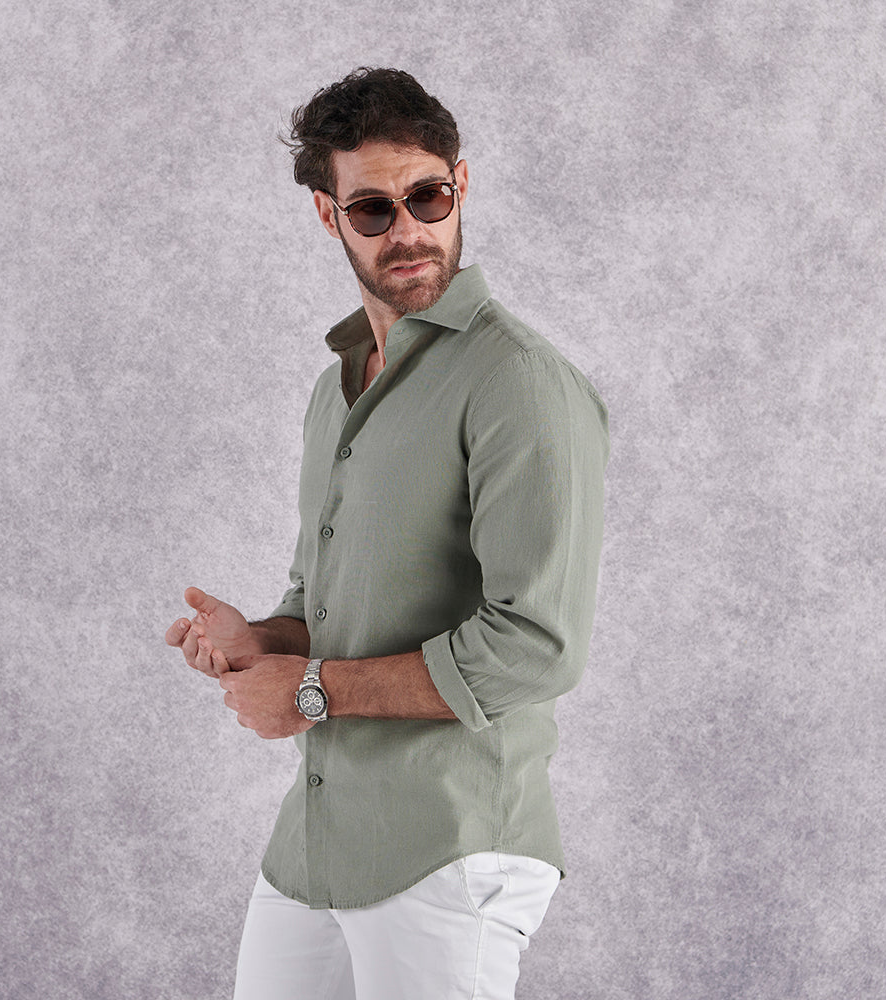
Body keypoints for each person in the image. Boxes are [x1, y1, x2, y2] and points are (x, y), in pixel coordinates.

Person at [165, 67, 609, 1000]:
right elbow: (323, 604)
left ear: (461, 185)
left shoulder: (518, 383)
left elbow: (536, 645)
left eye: (428, 196)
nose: (408, 229)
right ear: (328, 216)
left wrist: (312, 689)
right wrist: (261, 642)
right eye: (373, 209)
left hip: (450, 847)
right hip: (317, 843)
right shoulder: (336, 390)